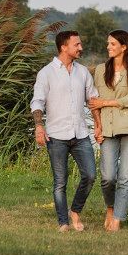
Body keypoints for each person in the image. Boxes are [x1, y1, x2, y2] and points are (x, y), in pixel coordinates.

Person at [30, 30, 99, 233]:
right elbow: (37, 102)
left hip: (80, 134)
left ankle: (75, 210)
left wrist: (99, 126)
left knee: (90, 175)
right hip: (56, 136)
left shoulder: (83, 72)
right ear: (63, 47)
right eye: (77, 44)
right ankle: (63, 222)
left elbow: (92, 101)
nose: (81, 48)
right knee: (60, 182)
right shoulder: (46, 73)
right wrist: (39, 126)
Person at [93, 28, 128, 231]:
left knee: (125, 177)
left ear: (124, 47)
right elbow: (92, 101)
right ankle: (110, 207)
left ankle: (117, 218)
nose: (108, 47)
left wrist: (105, 102)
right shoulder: (100, 70)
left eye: (112, 44)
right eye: (108, 44)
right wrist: (97, 126)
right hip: (107, 128)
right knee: (107, 177)